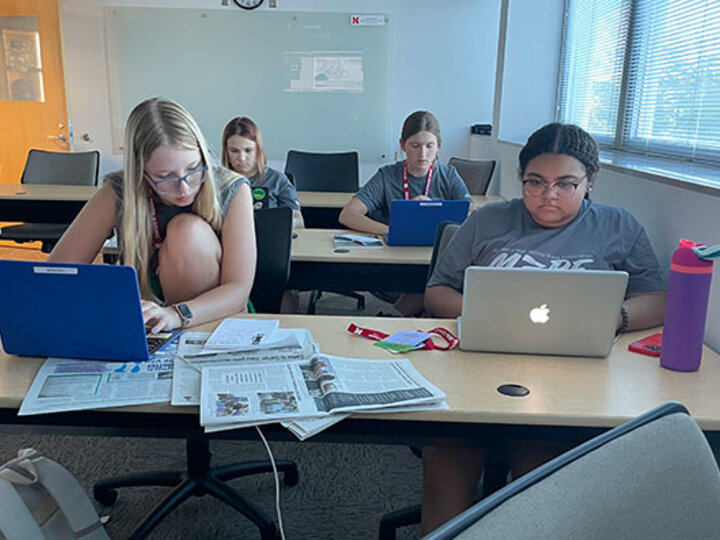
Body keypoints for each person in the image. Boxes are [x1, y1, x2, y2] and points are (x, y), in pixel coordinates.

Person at [421, 122, 667, 533]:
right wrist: (483, 312)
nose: (548, 195)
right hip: (477, 372)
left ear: (590, 182)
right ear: (521, 179)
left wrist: (616, 317)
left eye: (566, 184)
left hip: (572, 382)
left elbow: (657, 299)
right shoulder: (488, 220)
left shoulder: (617, 225)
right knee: (448, 459)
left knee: (539, 485)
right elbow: (436, 291)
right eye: (535, 182)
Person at [49, 97, 256, 332]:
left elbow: (238, 290)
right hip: (151, 322)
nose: (184, 188)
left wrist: (176, 315)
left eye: (193, 169)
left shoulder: (232, 188)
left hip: (215, 320)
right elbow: (57, 275)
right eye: (166, 176)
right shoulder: (120, 191)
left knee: (186, 231)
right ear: (140, 172)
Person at [339, 110, 474, 316]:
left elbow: (471, 213)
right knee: (426, 284)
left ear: (439, 147)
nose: (422, 154)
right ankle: (397, 318)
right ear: (403, 145)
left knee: (433, 282)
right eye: (415, 146)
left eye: (429, 146)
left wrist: (432, 207)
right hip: (397, 260)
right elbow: (348, 215)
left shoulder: (448, 176)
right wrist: (394, 230)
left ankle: (394, 318)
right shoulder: (387, 176)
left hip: (436, 259)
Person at [221, 116, 305, 229]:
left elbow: (299, 222)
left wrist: (273, 223)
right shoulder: (217, 181)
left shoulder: (277, 180)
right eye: (234, 151)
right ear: (226, 151)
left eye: (248, 150)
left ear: (258, 150)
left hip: (270, 237)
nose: (242, 158)